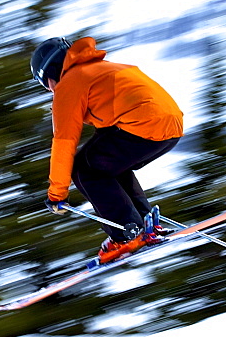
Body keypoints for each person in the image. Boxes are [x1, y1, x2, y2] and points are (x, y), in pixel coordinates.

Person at [31, 36, 184, 263]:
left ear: (51, 74)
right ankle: (145, 224)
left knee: (84, 169)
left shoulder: (70, 84)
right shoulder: (100, 69)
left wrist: (57, 194)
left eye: (45, 84)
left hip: (144, 126)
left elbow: (64, 142)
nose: (50, 90)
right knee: (106, 164)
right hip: (171, 127)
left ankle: (128, 234)